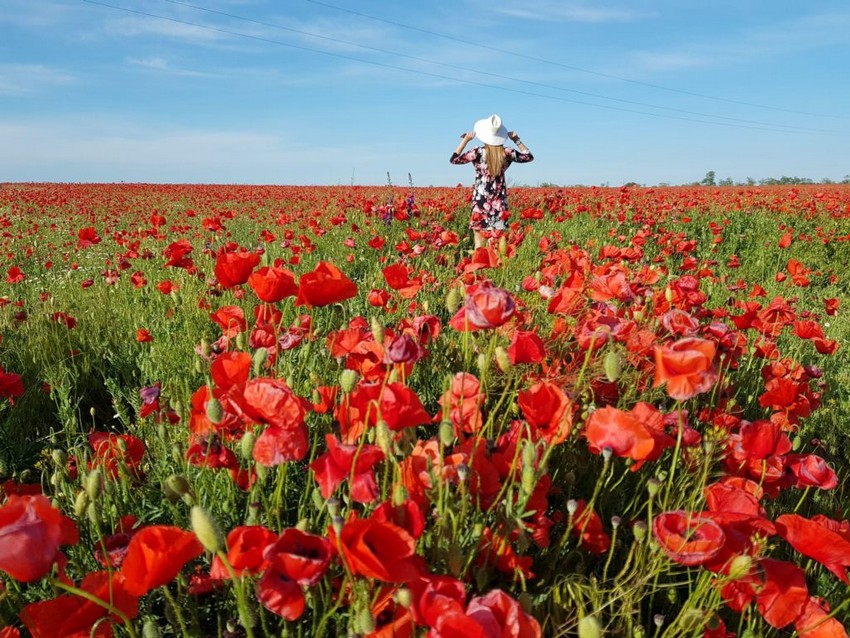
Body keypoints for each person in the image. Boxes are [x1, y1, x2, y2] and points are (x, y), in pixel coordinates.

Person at [451, 114, 533, 248]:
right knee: (495, 246)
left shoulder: (477, 152)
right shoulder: (507, 152)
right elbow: (529, 157)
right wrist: (516, 139)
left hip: (480, 202)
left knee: (479, 246)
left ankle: (479, 269)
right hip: (499, 204)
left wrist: (466, 140)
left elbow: (454, 159)